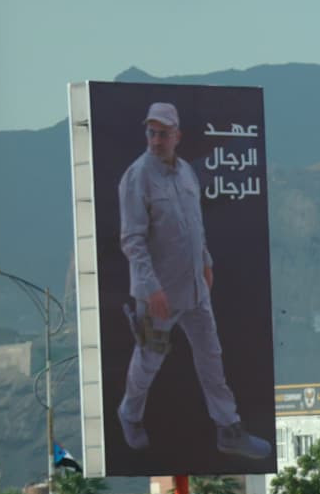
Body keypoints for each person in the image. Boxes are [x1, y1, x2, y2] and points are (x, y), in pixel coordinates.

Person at [113, 103, 270, 463]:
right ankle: (130, 414)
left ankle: (229, 429)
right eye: (151, 132)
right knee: (149, 360)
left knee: (211, 358)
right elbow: (132, 240)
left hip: (195, 290)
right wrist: (151, 288)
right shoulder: (136, 177)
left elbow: (194, 225)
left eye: (163, 133)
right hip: (158, 295)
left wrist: (207, 262)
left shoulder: (186, 172)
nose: (156, 139)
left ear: (177, 136)